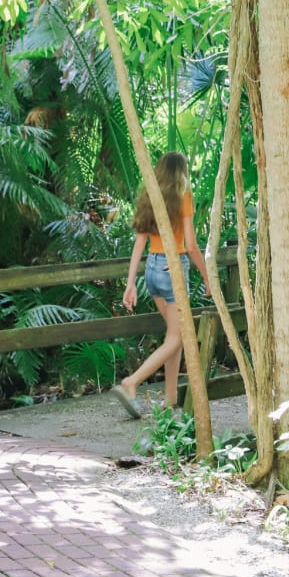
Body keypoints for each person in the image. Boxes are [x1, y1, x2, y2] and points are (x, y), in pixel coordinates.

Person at [112, 152, 211, 418]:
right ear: (182, 172)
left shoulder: (150, 197)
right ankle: (131, 382)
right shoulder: (183, 196)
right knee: (177, 337)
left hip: (152, 271)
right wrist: (207, 277)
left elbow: (139, 243)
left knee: (172, 337)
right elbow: (190, 245)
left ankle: (170, 398)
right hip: (173, 269)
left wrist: (131, 283)